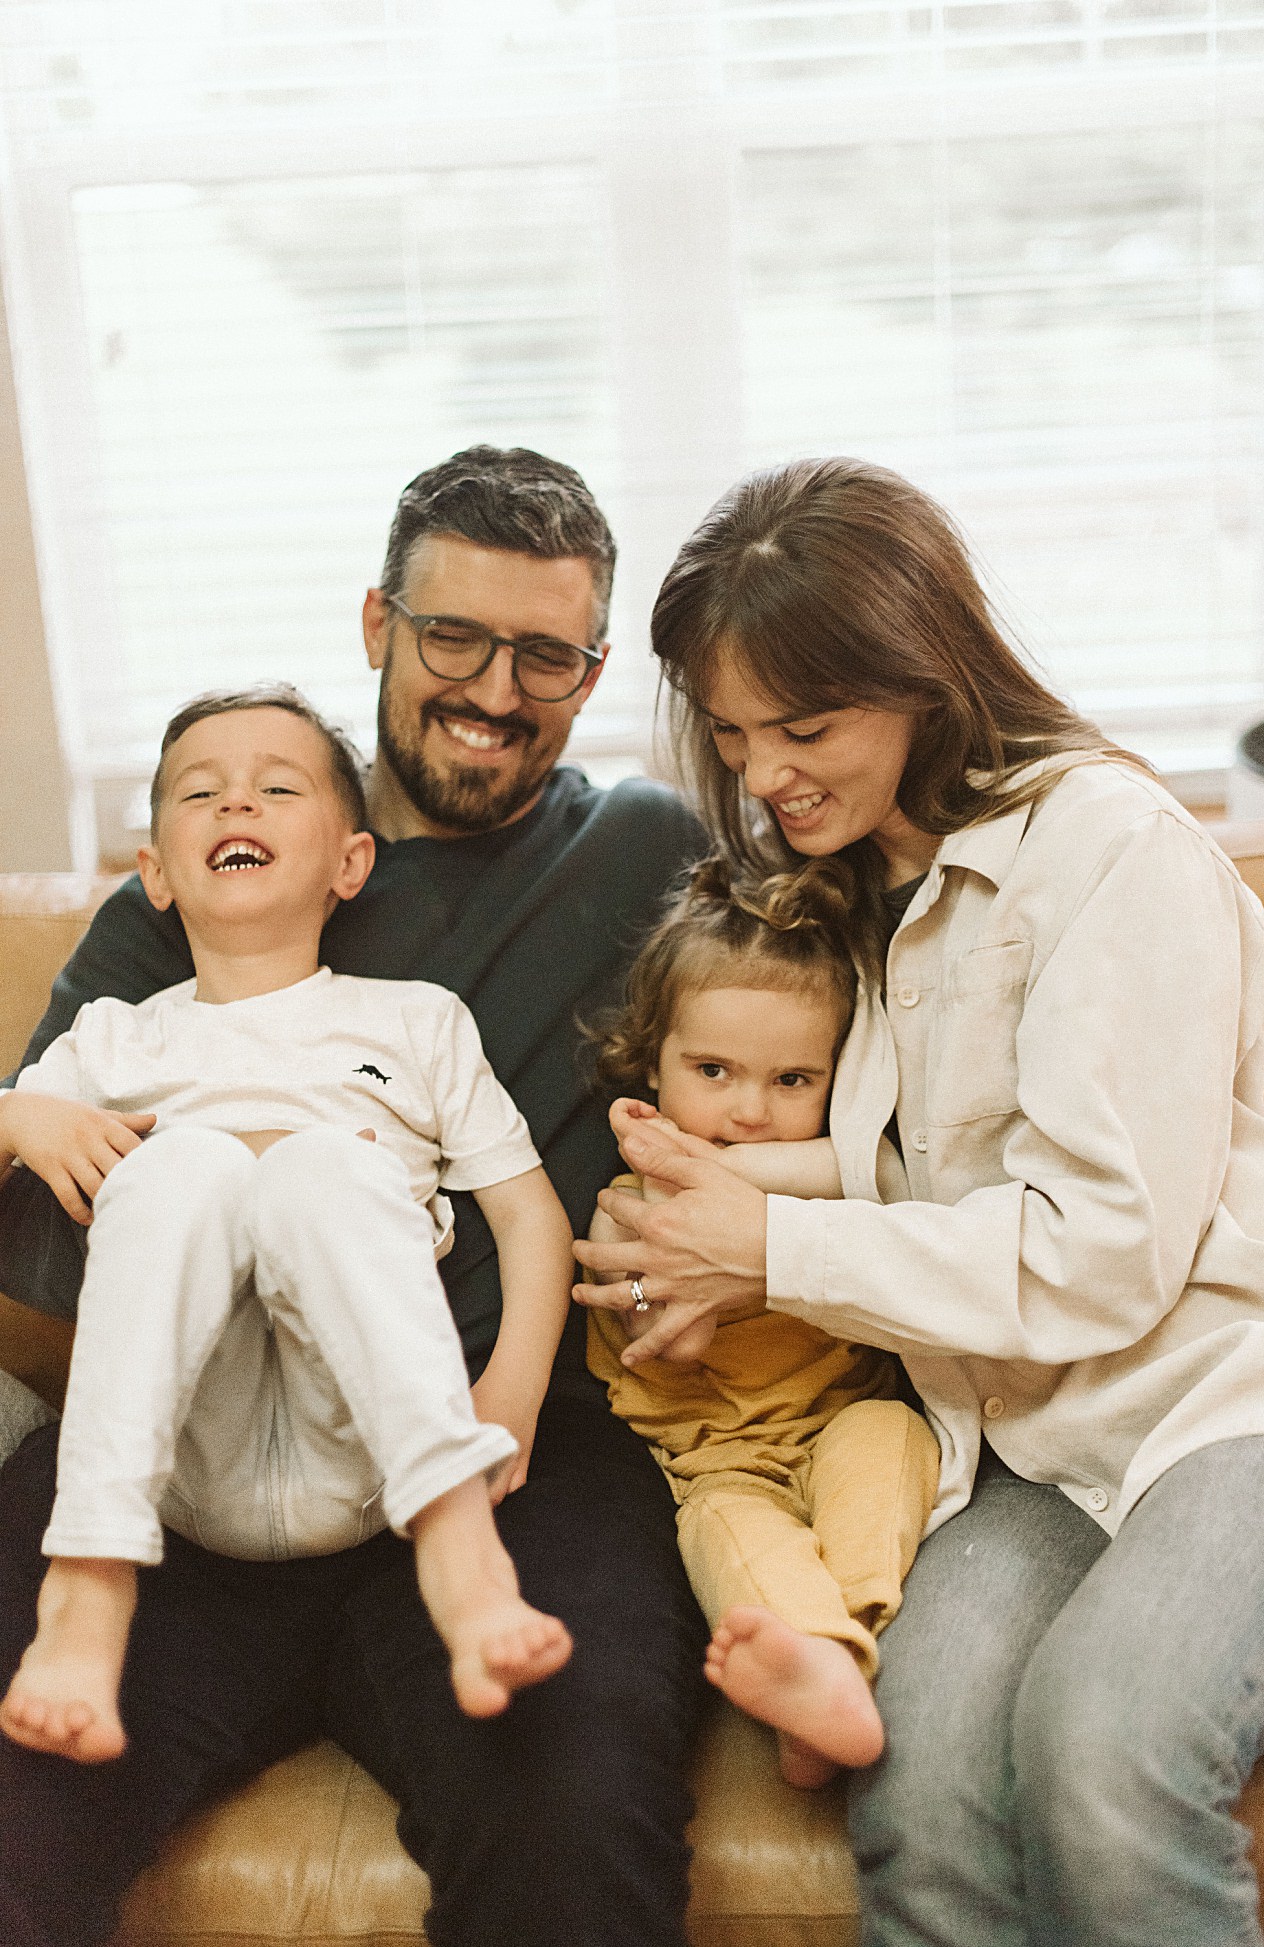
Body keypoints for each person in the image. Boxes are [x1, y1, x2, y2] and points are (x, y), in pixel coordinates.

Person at [572, 455, 1264, 1947]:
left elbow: (1099, 1248)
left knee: (1107, 1749)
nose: (765, 769)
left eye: (806, 723)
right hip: (1030, 1436)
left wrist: (767, 1243)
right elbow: (908, 1166)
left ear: (922, 673)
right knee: (921, 1778)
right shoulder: (853, 897)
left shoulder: (1106, 845)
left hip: (1237, 1397)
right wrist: (687, 1225)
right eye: (731, 729)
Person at [0, 446, 709, 1947]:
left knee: (572, 1804)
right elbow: (37, 1213)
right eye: (456, 637)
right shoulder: (191, 899)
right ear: (379, 623)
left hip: (505, 1455)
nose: (496, 690)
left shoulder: (649, 851)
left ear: (591, 673)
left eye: (548, 655)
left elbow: (880, 898)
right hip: (180, 1453)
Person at [0, 687, 576, 1764]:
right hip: (184, 1463)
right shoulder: (108, 1042)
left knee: (320, 1168)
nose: (237, 806)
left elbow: (530, 1216)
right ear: (157, 874)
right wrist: (13, 1112)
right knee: (185, 1168)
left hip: (371, 1446)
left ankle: (460, 1549)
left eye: (276, 787)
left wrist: (515, 1390)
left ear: (349, 864)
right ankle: (88, 1584)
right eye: (201, 792)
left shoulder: (415, 1022)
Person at [585, 854, 939, 1789]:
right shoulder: (626, 1208)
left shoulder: (837, 1169)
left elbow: (886, 1178)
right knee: (736, 1540)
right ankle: (813, 1660)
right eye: (712, 1071)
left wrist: (723, 1179)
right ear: (649, 1065)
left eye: (792, 1079)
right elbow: (681, 1337)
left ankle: (835, 1658)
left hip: (840, 1423)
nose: (749, 1111)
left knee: (894, 1436)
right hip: (718, 1464)